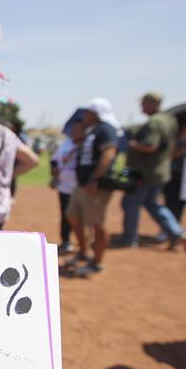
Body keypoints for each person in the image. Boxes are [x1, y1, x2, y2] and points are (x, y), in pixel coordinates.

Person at [118, 91, 184, 249]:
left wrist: (132, 145)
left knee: (130, 203)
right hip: (160, 170)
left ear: (152, 103)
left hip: (144, 172)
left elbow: (150, 146)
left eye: (143, 103)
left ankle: (129, 238)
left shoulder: (154, 122)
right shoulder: (169, 119)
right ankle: (175, 231)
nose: (141, 106)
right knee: (152, 203)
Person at [64, 97, 119, 276]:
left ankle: (97, 263)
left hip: (95, 186)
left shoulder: (106, 129)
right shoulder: (91, 131)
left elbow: (108, 154)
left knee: (97, 224)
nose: (84, 116)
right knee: (72, 215)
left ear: (96, 114)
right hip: (82, 185)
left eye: (87, 113)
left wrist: (95, 179)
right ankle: (83, 251)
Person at [51, 111, 84, 254]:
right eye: (73, 129)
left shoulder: (86, 145)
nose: (74, 132)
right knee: (66, 216)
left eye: (78, 129)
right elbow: (54, 161)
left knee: (80, 217)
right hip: (64, 187)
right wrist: (54, 173)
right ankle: (66, 241)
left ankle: (84, 244)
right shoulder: (66, 143)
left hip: (80, 189)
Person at [163, 121, 186, 223]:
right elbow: (170, 156)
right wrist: (185, 148)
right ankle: (168, 227)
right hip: (174, 176)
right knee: (171, 203)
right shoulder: (174, 140)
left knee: (181, 203)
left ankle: (176, 224)